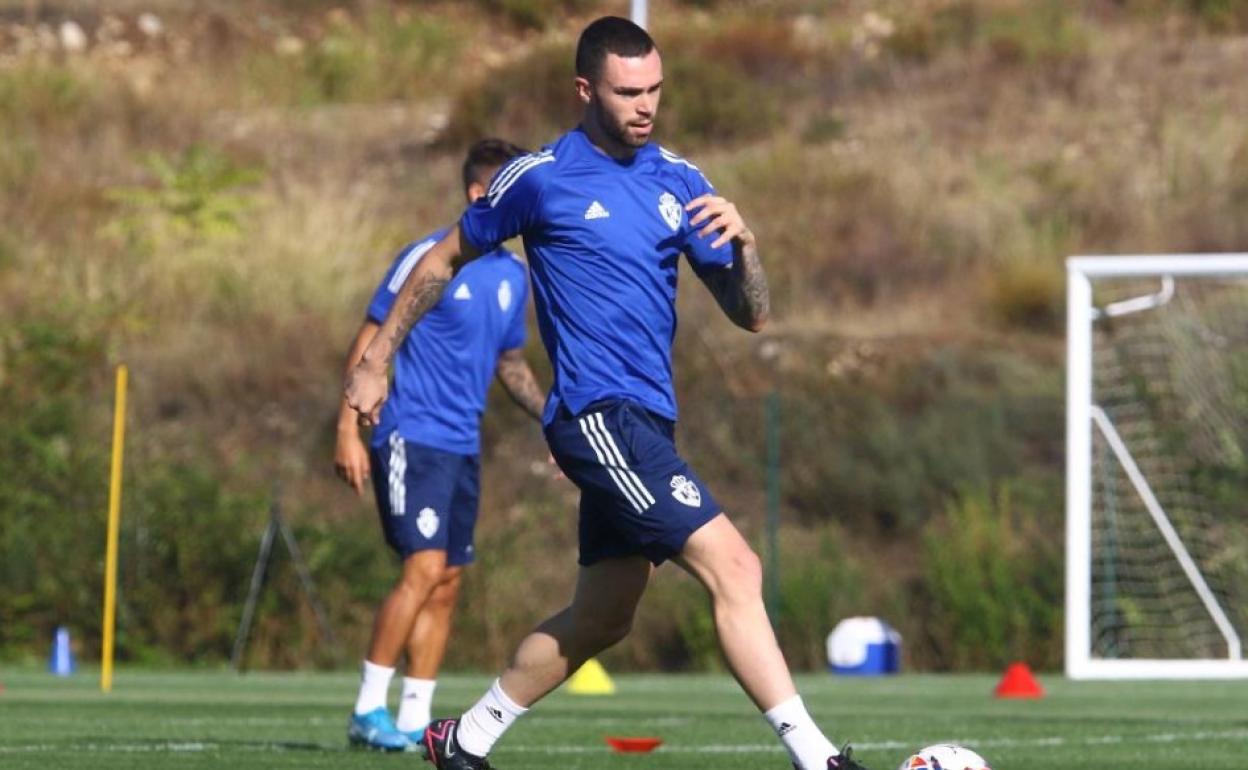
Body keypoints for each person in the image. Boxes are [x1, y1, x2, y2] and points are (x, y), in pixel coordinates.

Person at [345, 17, 871, 770]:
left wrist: (747, 245)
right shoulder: (539, 178)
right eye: (629, 91)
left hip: (649, 421)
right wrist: (377, 360)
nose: (645, 105)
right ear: (586, 90)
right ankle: (817, 758)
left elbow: (753, 315)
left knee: (603, 617)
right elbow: (442, 259)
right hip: (596, 415)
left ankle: (464, 739)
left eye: (655, 88)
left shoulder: (680, 180)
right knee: (737, 568)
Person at [334, 138, 547, 752]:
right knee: (423, 567)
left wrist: (551, 417)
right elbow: (374, 335)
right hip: (411, 431)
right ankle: (367, 710)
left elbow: (510, 364)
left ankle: (410, 719)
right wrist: (347, 426)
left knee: (448, 578)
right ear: (482, 195)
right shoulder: (430, 258)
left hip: (462, 443)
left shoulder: (512, 276)